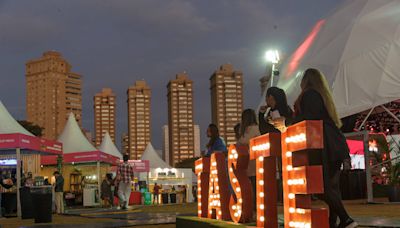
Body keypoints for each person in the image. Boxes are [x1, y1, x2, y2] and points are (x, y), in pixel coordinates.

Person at [285, 68, 357, 228]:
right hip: (333, 143)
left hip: (325, 145)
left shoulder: (310, 94)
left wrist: (290, 121)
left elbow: (310, 116)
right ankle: (334, 221)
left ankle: (346, 219)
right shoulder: (322, 95)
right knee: (332, 187)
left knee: (321, 186)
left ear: (306, 81)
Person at [236, 108, 260, 218]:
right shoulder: (253, 128)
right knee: (252, 187)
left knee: (253, 188)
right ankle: (252, 210)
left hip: (252, 162)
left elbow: (243, 141)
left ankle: (253, 210)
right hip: (250, 162)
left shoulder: (252, 129)